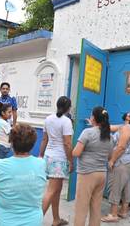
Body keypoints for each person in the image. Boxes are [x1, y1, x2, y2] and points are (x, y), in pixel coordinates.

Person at [0, 123, 46, 226]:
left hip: (3, 221)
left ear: (11, 143)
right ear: (33, 144)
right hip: (33, 221)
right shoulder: (41, 164)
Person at [72, 106, 113, 226]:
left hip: (87, 174)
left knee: (81, 208)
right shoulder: (109, 136)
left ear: (93, 118)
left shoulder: (88, 132)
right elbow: (110, 157)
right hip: (101, 174)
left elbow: (76, 152)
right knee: (96, 208)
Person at [102, 110, 130, 222]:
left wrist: (112, 160)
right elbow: (109, 128)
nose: (126, 113)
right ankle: (124, 211)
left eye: (129, 113)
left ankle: (113, 214)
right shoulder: (127, 127)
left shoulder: (126, 128)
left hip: (122, 161)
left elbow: (121, 147)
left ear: (129, 118)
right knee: (127, 186)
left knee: (115, 186)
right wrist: (99, 121)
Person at [40, 96, 73, 226]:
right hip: (59, 159)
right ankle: (34, 221)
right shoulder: (66, 121)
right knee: (51, 191)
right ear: (68, 108)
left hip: (49, 157)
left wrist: (41, 154)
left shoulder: (48, 119)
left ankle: (56, 219)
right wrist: (71, 161)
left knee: (56, 190)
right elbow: (67, 144)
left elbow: (44, 139)